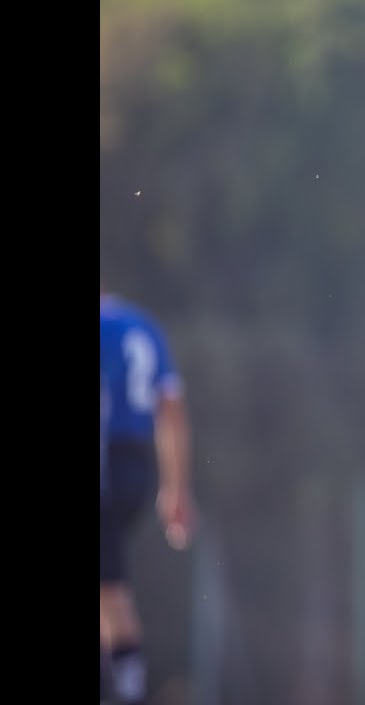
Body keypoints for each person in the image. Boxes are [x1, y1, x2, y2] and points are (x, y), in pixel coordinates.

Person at [100, 291, 198, 705]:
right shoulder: (144, 325)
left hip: (105, 459)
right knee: (108, 584)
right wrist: (175, 486)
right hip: (136, 468)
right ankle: (128, 686)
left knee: (112, 588)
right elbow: (171, 411)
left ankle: (129, 691)